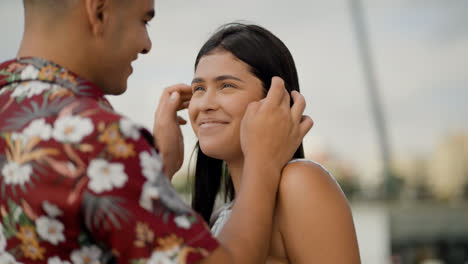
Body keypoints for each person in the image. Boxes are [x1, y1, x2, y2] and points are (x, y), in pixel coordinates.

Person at [0, 1, 313, 263]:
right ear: (98, 12)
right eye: (143, 20)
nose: (146, 44)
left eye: (227, 85)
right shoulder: (95, 138)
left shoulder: (10, 112)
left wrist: (155, 168)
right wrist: (262, 162)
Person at [189, 23, 361, 263]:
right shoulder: (220, 216)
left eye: (226, 85)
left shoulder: (300, 183)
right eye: (198, 88)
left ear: (276, 100)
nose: (205, 104)